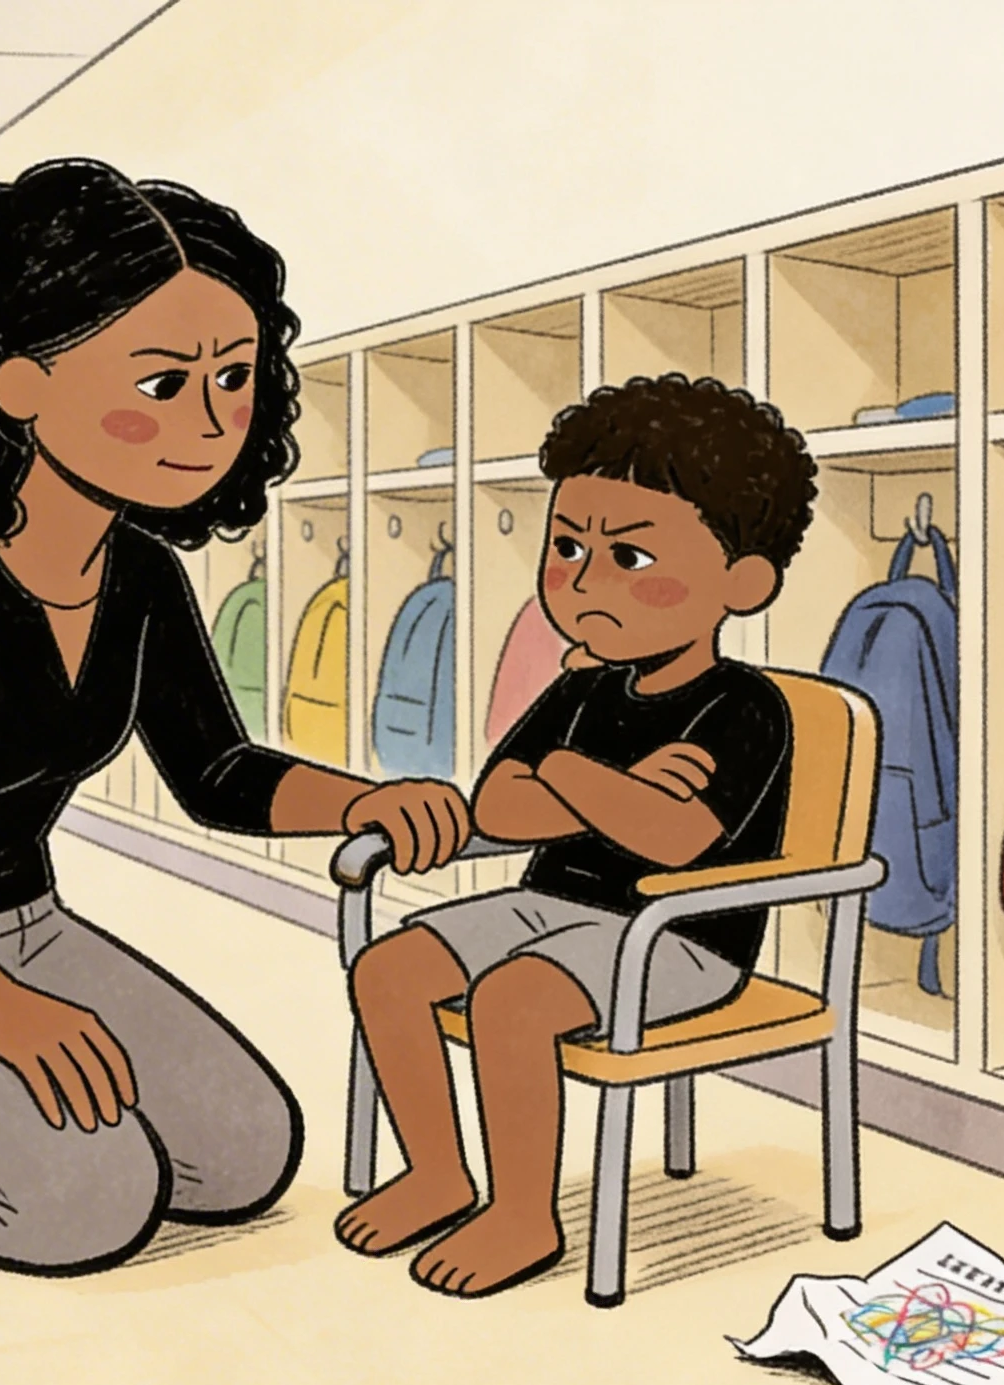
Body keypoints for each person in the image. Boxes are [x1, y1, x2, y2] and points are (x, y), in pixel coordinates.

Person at [0, 158, 471, 1275]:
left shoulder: (142, 575)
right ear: (20, 383)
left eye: (234, 378)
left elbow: (217, 774)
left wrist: (369, 799)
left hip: (33, 932)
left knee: (245, 1156)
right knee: (90, 1205)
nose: (209, 422)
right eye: (162, 382)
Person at [333, 374, 818, 1297]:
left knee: (513, 1002)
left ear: (742, 583)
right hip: (550, 904)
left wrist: (570, 777)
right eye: (566, 547)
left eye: (629, 557)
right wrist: (607, 790)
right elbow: (498, 809)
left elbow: (675, 845)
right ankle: (439, 1172)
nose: (584, 579)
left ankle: (524, 1216)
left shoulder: (743, 707)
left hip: (679, 937)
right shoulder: (580, 688)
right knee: (387, 970)